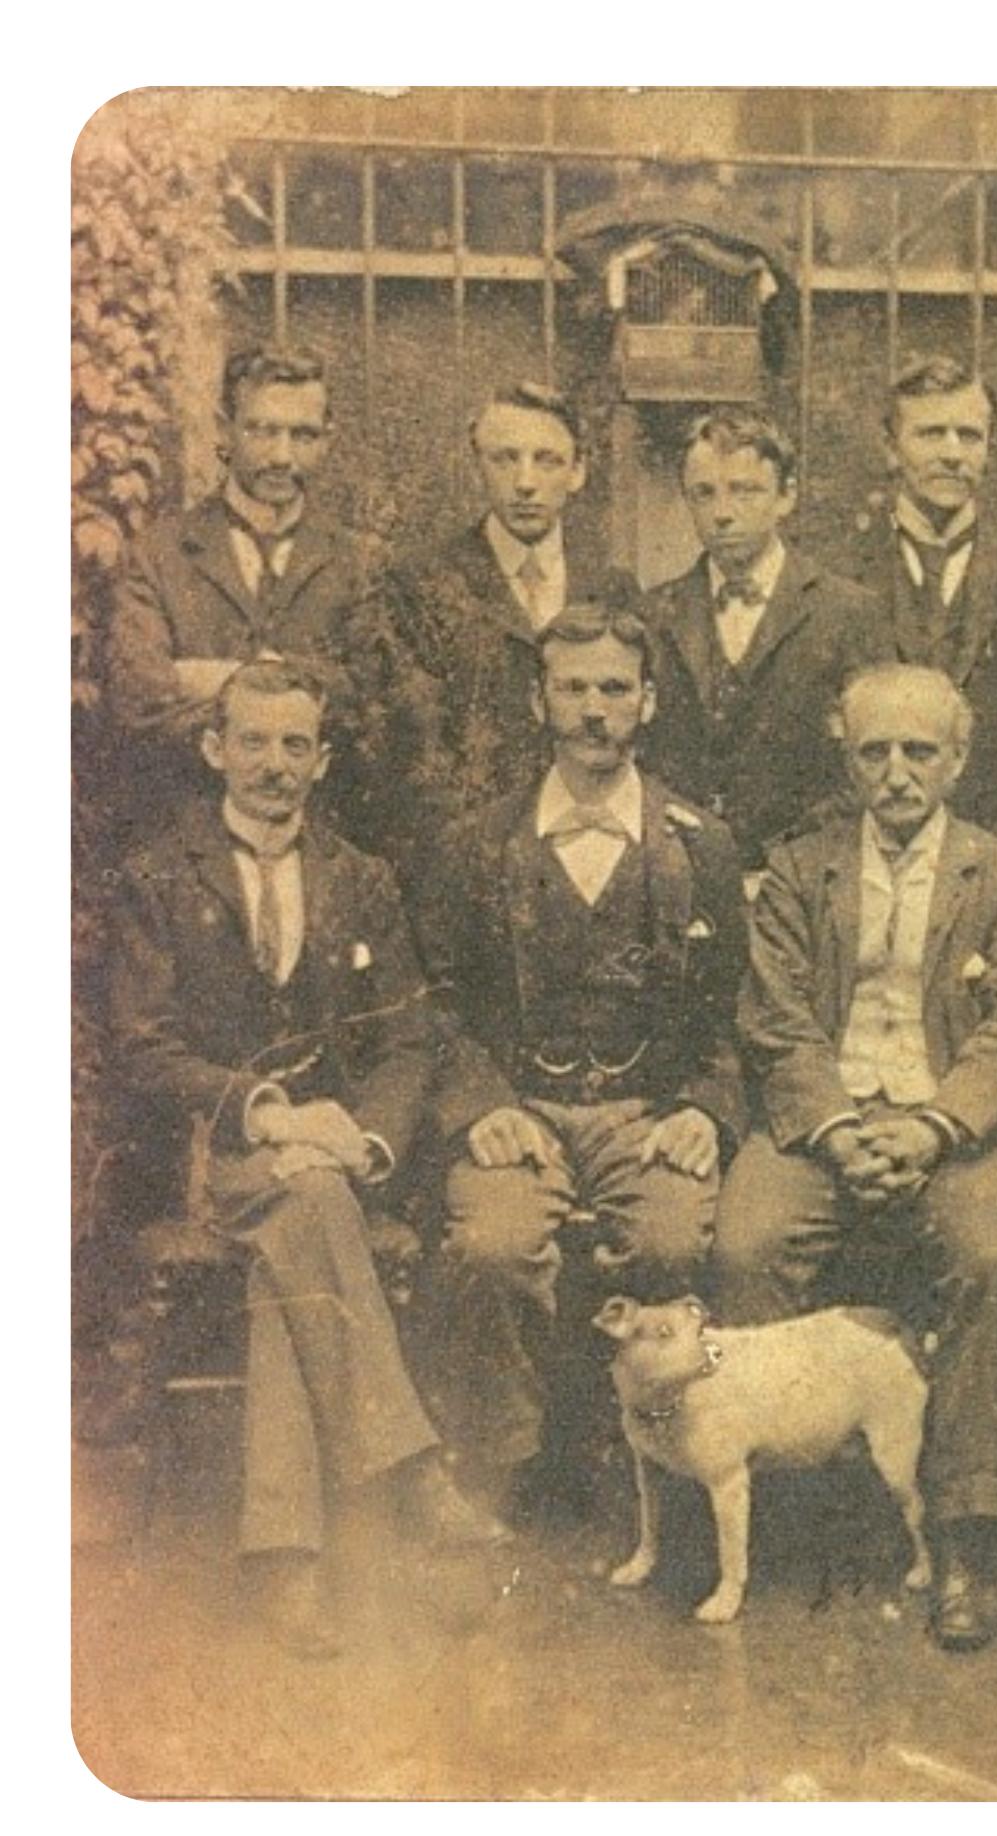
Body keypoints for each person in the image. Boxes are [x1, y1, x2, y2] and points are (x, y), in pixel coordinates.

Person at [103, 660, 508, 1657]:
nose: (273, 765)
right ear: (214, 749)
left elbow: (410, 1037)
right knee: (307, 1196)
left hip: (317, 1169)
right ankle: (408, 1467)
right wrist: (265, 1108)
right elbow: (142, 1049)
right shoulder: (157, 876)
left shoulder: (361, 878)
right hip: (213, 1153)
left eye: (295, 745)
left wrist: (363, 1134)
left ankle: (285, 1560)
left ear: (321, 761)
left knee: (301, 1235)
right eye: (252, 741)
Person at [715, 663, 997, 1652]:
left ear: (958, 757)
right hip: (822, 1127)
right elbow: (775, 1022)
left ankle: (961, 1538)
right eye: (874, 752)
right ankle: (802, 1516)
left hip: (952, 1129)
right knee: (749, 1239)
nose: (896, 773)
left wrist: (934, 1126)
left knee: (990, 1253)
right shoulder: (799, 869)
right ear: (845, 753)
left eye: (918, 751)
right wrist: (836, 1128)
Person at [413, 606, 746, 1521]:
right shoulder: (479, 842)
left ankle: (656, 1460)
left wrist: (703, 1112)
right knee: (490, 1246)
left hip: (645, 1112)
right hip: (523, 1109)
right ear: (538, 699)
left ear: (647, 701)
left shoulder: (697, 842)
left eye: (613, 689)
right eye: (573, 688)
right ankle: (513, 1458)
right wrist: (478, 1101)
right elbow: (433, 997)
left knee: (673, 1241)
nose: (594, 710)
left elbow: (734, 1004)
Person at [345, 383, 639, 871]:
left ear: (578, 471)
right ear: (477, 466)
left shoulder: (614, 590)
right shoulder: (420, 586)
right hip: (467, 864)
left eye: (546, 460)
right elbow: (409, 753)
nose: (525, 482)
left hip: (592, 852)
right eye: (505, 459)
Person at [102, 346, 368, 838]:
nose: (281, 456)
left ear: (327, 441)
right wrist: (295, 698)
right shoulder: (159, 554)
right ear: (225, 430)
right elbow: (138, 702)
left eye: (302, 434)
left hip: (317, 849)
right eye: (262, 430)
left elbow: (369, 703)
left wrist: (221, 678)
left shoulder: (359, 563)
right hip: (184, 842)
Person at [844, 356, 997, 858]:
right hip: (869, 850)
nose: (951, 453)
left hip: (993, 851)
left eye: (969, 436)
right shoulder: (841, 570)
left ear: (989, 448)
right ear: (890, 447)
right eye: (930, 433)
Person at [644, 406, 878, 872]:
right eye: (704, 494)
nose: (723, 513)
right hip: (682, 869)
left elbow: (868, 762)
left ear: (786, 496)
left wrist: (787, 857)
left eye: (744, 491)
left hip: (808, 872)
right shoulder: (653, 613)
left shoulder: (848, 613)